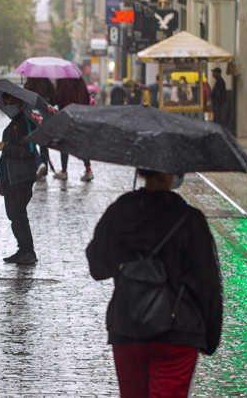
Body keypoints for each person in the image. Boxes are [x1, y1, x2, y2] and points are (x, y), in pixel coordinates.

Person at [86, 169, 223, 397]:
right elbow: (207, 286)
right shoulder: (190, 220)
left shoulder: (119, 213)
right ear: (173, 173)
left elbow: (98, 268)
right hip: (178, 332)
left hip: (127, 328)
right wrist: (209, 337)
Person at [0, 93, 38, 265]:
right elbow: (4, 159)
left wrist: (6, 146)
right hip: (10, 179)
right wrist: (1, 182)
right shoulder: (11, 125)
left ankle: (28, 251)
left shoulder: (26, 123)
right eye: (5, 103)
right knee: (13, 215)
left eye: (11, 102)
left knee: (19, 214)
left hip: (22, 177)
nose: (7, 106)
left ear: (20, 104)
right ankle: (22, 249)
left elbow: (28, 150)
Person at [55, 78, 94, 181]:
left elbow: (59, 99)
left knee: (63, 144)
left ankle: (64, 171)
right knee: (81, 143)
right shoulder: (80, 82)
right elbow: (87, 99)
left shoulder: (62, 81)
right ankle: (88, 169)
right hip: (80, 116)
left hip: (66, 115)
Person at [24, 77, 57, 180]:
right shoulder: (48, 85)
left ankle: (39, 163)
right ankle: (44, 173)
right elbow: (54, 100)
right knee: (43, 145)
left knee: (30, 143)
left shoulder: (29, 84)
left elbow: (24, 100)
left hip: (32, 117)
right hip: (45, 118)